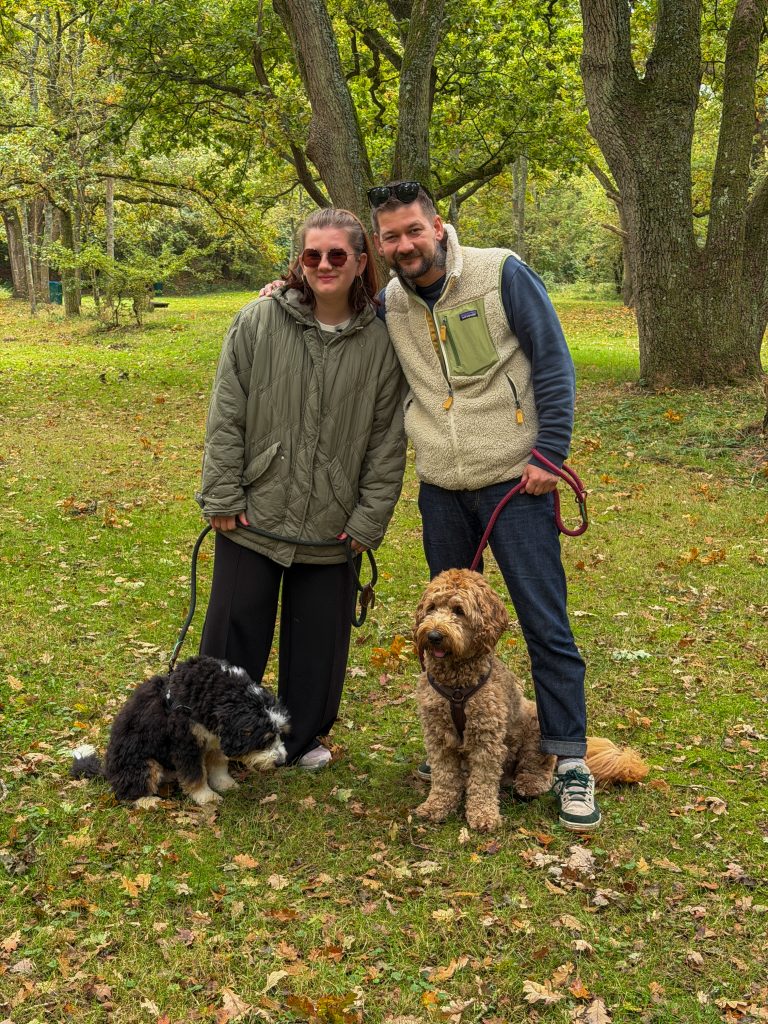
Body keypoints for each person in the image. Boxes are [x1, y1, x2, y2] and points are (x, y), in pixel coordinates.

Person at [367, 180, 600, 831]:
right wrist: (285, 288)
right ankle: (456, 747)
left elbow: (553, 360)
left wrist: (549, 454)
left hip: (516, 481)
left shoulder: (502, 273)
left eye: (414, 229)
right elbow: (333, 307)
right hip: (442, 485)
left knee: (541, 620)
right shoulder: (391, 301)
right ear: (381, 244)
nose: (405, 244)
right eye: (391, 236)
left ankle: (568, 757)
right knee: (448, 631)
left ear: (438, 226)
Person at [196, 208, 406, 769]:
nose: (324, 265)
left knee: (318, 646)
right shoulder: (258, 320)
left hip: (332, 524)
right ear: (299, 261)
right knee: (232, 635)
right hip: (253, 513)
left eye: (338, 254)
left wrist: (368, 520)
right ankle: (217, 738)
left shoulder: (383, 341)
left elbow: (389, 441)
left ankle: (302, 736)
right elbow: (227, 412)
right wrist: (221, 493)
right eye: (313, 255)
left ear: (361, 261)